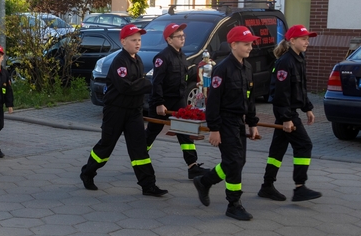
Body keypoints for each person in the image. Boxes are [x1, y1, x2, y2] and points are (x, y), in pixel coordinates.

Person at [80, 24, 167, 197]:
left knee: (139, 149)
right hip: (116, 111)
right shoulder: (120, 61)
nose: (138, 43)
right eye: (133, 40)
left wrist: (143, 85)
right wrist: (147, 83)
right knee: (106, 146)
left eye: (139, 40)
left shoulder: (138, 60)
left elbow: (136, 85)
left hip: (134, 111)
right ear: (123, 42)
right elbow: (126, 87)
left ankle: (148, 185)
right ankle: (88, 172)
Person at [192, 26, 261, 221]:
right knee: (234, 162)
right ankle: (233, 204)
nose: (250, 47)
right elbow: (213, 101)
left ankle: (204, 181)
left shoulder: (247, 68)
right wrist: (214, 129)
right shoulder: (222, 69)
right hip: (225, 121)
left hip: (239, 121)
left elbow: (250, 99)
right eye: (246, 44)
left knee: (238, 161)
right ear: (234, 45)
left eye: (251, 44)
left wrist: (252, 123)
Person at [259, 25, 322, 203]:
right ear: (292, 41)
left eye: (308, 39)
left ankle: (267, 186)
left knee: (278, 149)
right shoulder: (285, 62)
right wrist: (286, 118)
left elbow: (300, 88)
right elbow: (281, 93)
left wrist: (307, 108)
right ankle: (300, 187)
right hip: (286, 112)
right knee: (304, 145)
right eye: (303, 39)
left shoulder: (299, 58)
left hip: (288, 111)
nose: (307, 42)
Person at [145, 22, 206, 179]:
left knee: (185, 131)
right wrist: (159, 103)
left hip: (178, 101)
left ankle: (192, 166)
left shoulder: (182, 56)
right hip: (162, 102)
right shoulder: (162, 58)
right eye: (178, 36)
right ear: (169, 39)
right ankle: (139, 157)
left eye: (183, 36)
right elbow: (157, 82)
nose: (182, 38)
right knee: (152, 132)